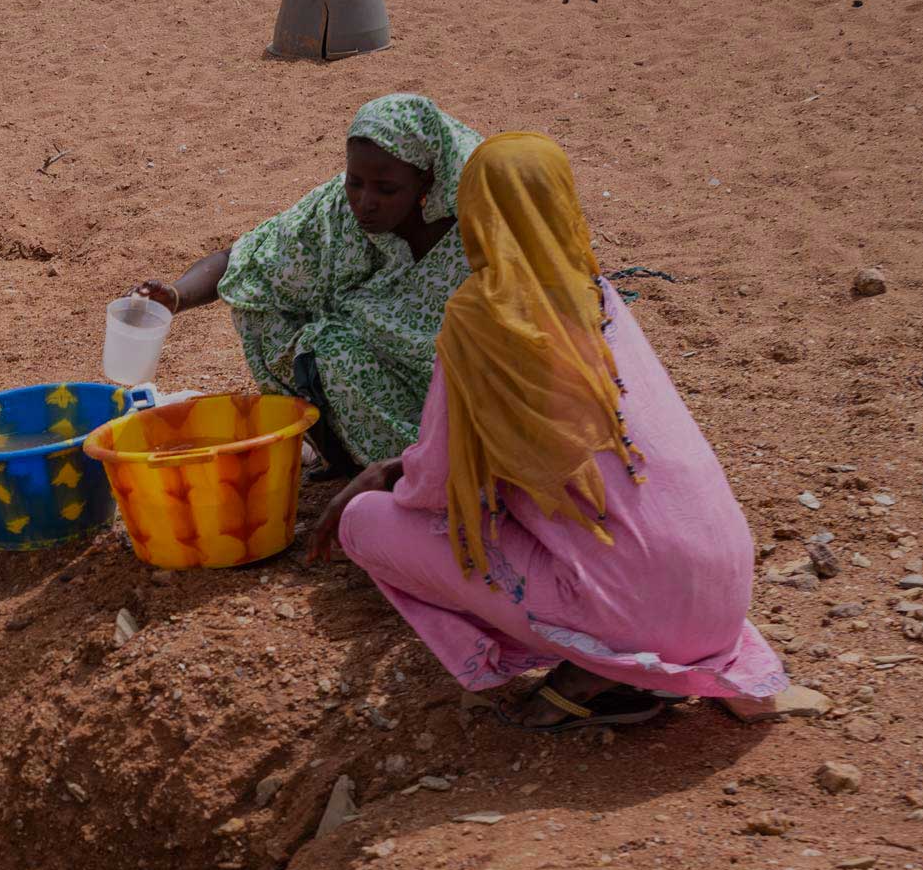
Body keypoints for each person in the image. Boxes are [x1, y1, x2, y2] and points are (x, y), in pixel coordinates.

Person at [308, 132, 787, 730]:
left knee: (365, 523)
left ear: (473, 213)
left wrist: (387, 478)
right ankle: (625, 656)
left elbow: (436, 488)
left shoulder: (482, 318)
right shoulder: (600, 295)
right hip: (721, 596)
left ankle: (601, 664)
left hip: (634, 613)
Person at [133, 93, 484, 476]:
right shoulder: (336, 209)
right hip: (373, 370)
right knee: (273, 317)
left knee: (337, 349)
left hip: (460, 401)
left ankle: (425, 468)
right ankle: (353, 460)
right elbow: (247, 258)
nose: (364, 202)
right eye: (355, 182)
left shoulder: (472, 226)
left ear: (426, 179)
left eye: (386, 190)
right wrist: (176, 296)